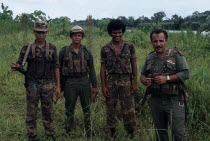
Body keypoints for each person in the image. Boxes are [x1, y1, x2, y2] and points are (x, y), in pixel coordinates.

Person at [11, 21, 61, 141]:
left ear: (46, 33)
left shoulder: (52, 48)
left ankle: (49, 133)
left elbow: (56, 67)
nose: (41, 34)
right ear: (34, 32)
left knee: (48, 110)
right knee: (31, 110)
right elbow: (20, 63)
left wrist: (58, 86)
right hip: (32, 83)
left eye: (43, 32)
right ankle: (32, 135)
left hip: (48, 83)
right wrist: (16, 66)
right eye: (38, 32)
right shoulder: (27, 47)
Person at [140, 29, 190, 141]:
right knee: (160, 133)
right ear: (151, 42)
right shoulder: (150, 57)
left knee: (178, 133)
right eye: (155, 41)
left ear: (166, 41)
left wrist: (167, 78)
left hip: (174, 100)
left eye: (161, 41)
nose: (158, 44)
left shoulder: (176, 55)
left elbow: (186, 73)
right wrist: (144, 80)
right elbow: (142, 75)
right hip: (156, 100)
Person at [100, 19, 137, 138]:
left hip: (126, 80)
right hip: (111, 81)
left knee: (129, 108)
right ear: (110, 32)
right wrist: (103, 85)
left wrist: (135, 82)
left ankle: (131, 132)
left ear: (123, 32)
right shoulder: (105, 48)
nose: (117, 35)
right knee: (111, 107)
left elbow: (134, 64)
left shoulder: (130, 46)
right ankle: (111, 132)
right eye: (114, 32)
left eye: (119, 32)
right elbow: (102, 68)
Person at [59, 25, 98, 137]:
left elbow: (92, 70)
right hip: (70, 83)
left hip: (84, 82)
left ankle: (89, 130)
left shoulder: (86, 52)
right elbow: (59, 70)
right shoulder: (64, 51)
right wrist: (60, 87)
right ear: (71, 36)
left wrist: (94, 86)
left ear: (82, 37)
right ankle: (69, 130)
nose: (77, 37)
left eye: (79, 35)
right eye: (75, 35)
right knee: (69, 108)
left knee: (87, 108)